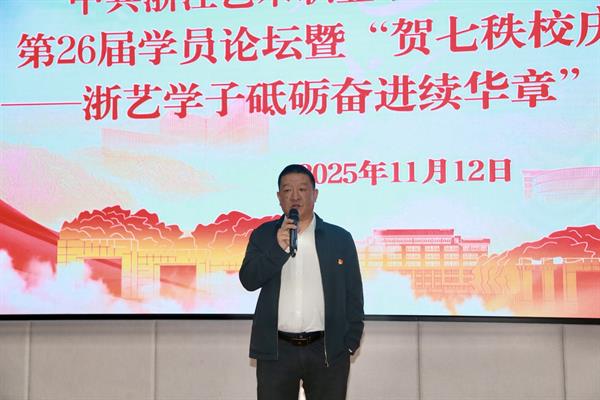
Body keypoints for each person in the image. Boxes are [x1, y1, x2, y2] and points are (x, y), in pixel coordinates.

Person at [239, 164, 364, 400]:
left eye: (302, 189)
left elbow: (354, 295)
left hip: (327, 350)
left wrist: (350, 342)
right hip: (277, 351)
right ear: (279, 197)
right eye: (287, 190)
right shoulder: (264, 235)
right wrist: (278, 248)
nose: (295, 196)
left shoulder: (339, 238)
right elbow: (249, 280)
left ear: (315, 194)